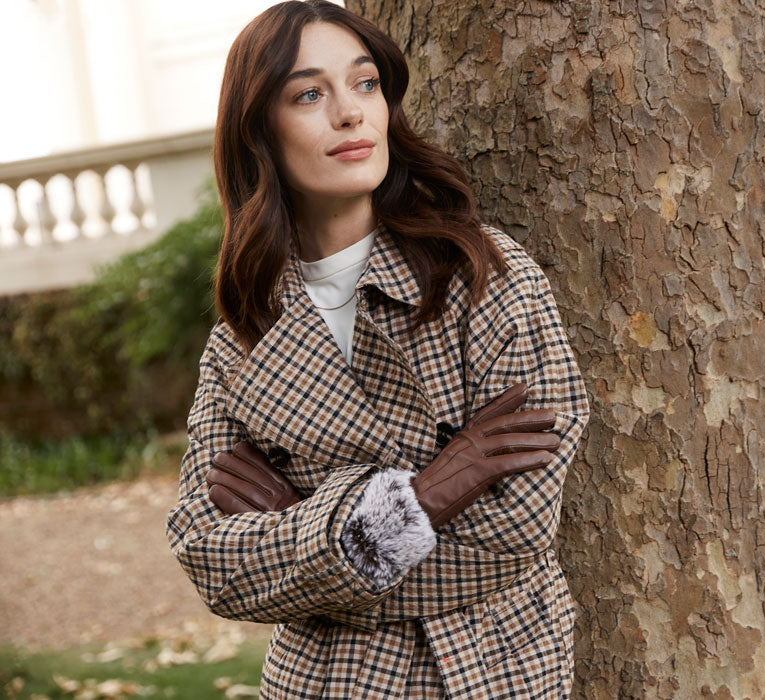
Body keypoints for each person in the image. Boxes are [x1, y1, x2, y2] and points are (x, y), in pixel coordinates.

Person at [164, 1, 591, 698]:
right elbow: (209, 559)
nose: (350, 113)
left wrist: (295, 524)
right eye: (309, 94)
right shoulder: (241, 337)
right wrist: (423, 495)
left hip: (485, 674)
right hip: (321, 683)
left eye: (365, 84)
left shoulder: (482, 275)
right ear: (259, 132)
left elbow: (515, 532)